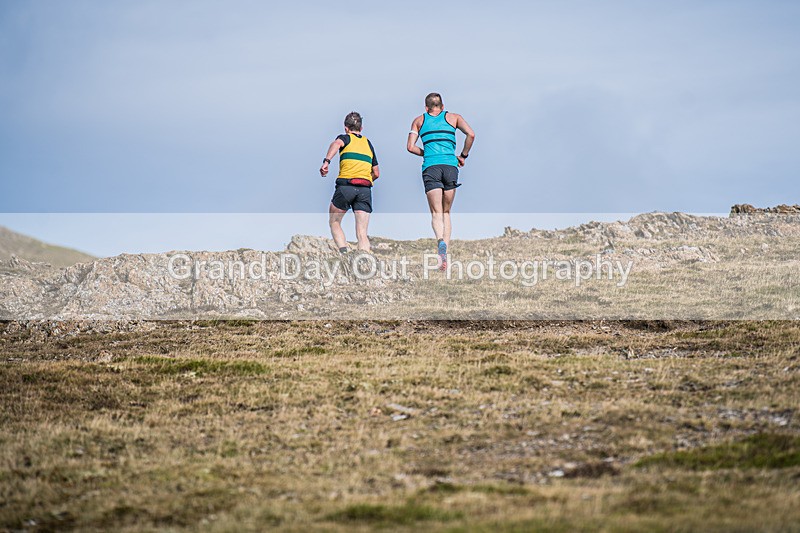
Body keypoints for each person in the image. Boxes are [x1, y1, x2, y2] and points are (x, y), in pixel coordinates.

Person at [407, 92, 475, 269]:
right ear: (443, 106)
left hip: (431, 167)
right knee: (446, 212)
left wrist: (427, 153)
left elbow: (410, 147)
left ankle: (440, 243)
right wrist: (463, 156)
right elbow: (471, 134)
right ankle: (445, 252)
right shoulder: (454, 118)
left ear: (426, 108)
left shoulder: (419, 121)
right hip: (450, 166)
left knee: (436, 213)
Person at [320, 112, 380, 253]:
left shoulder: (344, 138)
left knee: (334, 221)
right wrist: (365, 179)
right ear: (361, 128)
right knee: (362, 232)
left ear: (346, 128)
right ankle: (365, 259)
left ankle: (344, 253)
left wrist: (326, 161)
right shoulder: (368, 144)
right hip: (365, 189)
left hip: (346, 186)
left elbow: (336, 144)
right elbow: (376, 173)